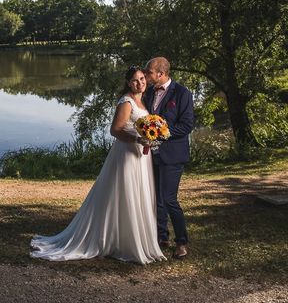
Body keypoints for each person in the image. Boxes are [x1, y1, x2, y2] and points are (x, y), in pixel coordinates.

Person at [30, 66, 165, 265]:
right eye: (136, 80)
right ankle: (115, 241)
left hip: (141, 157)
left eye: (143, 79)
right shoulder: (126, 101)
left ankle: (129, 239)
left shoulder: (141, 101)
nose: (141, 83)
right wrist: (138, 139)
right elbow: (115, 130)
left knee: (138, 193)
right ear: (129, 83)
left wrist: (151, 137)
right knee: (123, 194)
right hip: (126, 155)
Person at [143, 57, 194, 259]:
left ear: (161, 74)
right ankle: (161, 237)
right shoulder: (148, 92)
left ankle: (181, 242)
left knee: (169, 199)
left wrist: (160, 132)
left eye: (149, 72)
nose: (147, 76)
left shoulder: (182, 94)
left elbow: (187, 125)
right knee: (156, 199)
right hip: (150, 154)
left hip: (173, 155)